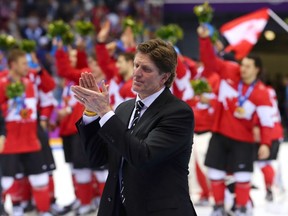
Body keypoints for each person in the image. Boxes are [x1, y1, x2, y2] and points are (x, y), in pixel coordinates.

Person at [72, 38, 197, 216]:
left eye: (146, 69)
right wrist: (92, 113)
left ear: (164, 77)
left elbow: (142, 157)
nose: (136, 73)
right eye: (136, 65)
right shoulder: (124, 109)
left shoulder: (178, 113)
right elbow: (97, 158)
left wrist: (105, 112)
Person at [197, 25, 274, 216]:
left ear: (257, 70)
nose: (243, 69)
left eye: (248, 67)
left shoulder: (261, 93)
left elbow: (266, 122)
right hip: (220, 133)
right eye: (242, 65)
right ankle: (218, 207)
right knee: (215, 173)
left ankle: (241, 208)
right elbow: (210, 62)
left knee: (243, 176)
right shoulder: (230, 71)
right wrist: (205, 40)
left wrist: (265, 143)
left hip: (244, 140)